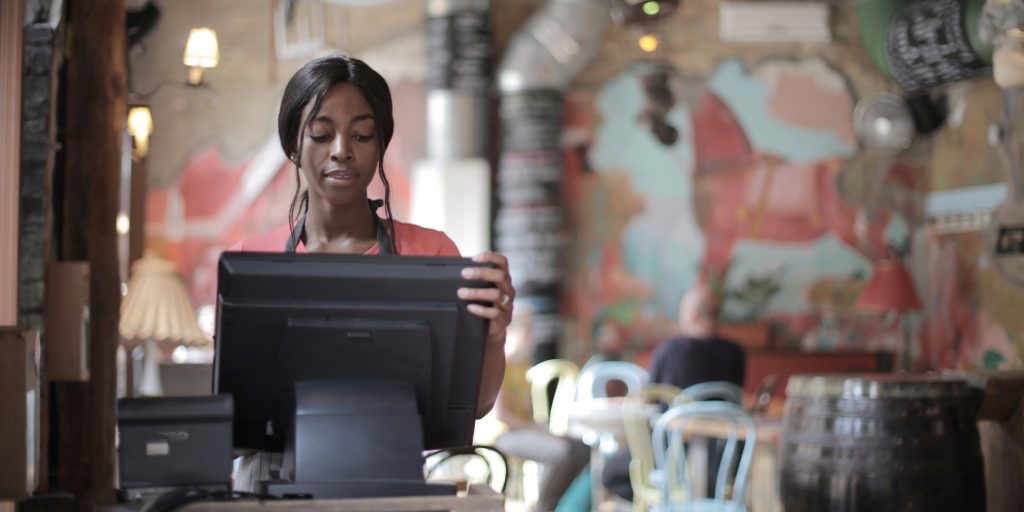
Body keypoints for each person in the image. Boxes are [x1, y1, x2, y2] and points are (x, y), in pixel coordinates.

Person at [227, 54, 514, 491]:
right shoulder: (250, 258)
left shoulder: (433, 252)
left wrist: (493, 334)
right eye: (321, 134)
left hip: (388, 476)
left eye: (362, 134)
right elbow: (232, 410)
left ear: (380, 144)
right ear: (292, 145)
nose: (342, 149)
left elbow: (473, 405)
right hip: (267, 483)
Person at [600, 278, 745, 502]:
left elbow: (649, 398)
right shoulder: (736, 352)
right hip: (720, 459)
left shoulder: (670, 349)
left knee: (610, 474)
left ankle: (665, 502)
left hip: (669, 451)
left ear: (693, 315)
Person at [489, 306, 590, 512]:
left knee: (582, 448)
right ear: (512, 329)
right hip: (501, 435)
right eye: (527, 329)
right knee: (560, 452)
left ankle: (560, 505)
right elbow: (502, 416)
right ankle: (544, 508)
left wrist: (543, 429)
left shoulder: (523, 363)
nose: (532, 335)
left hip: (524, 429)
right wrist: (538, 430)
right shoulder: (500, 363)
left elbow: (527, 413)